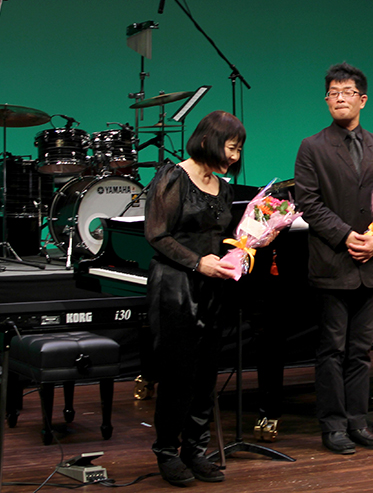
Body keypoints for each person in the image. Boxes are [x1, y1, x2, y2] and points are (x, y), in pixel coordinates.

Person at [293, 63, 373, 455]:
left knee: (361, 350)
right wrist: (347, 235)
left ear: (362, 100)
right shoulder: (312, 146)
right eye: (333, 93)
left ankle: (358, 422)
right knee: (332, 349)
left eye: (347, 92)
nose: (339, 98)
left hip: (372, 263)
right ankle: (333, 425)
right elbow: (308, 203)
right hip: (333, 262)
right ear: (326, 100)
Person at [144, 110, 245, 485]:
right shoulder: (173, 178)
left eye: (238, 149)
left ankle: (195, 450)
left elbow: (223, 238)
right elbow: (156, 234)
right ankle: (167, 451)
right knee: (178, 376)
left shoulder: (224, 188)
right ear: (207, 141)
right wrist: (197, 262)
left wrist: (246, 247)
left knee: (205, 377)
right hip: (175, 287)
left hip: (211, 290)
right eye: (230, 147)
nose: (234, 156)